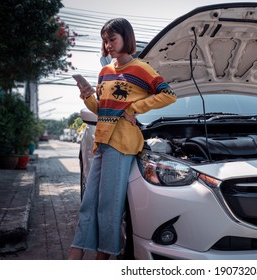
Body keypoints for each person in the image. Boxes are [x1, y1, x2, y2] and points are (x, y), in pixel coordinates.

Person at [68, 18, 176, 260]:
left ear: (126, 38)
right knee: (88, 204)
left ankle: (104, 257)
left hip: (123, 144)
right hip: (102, 142)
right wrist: (87, 96)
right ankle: (75, 254)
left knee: (109, 207)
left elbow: (168, 94)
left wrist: (135, 107)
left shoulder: (141, 68)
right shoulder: (105, 72)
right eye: (105, 41)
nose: (108, 45)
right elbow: (101, 108)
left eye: (112, 39)